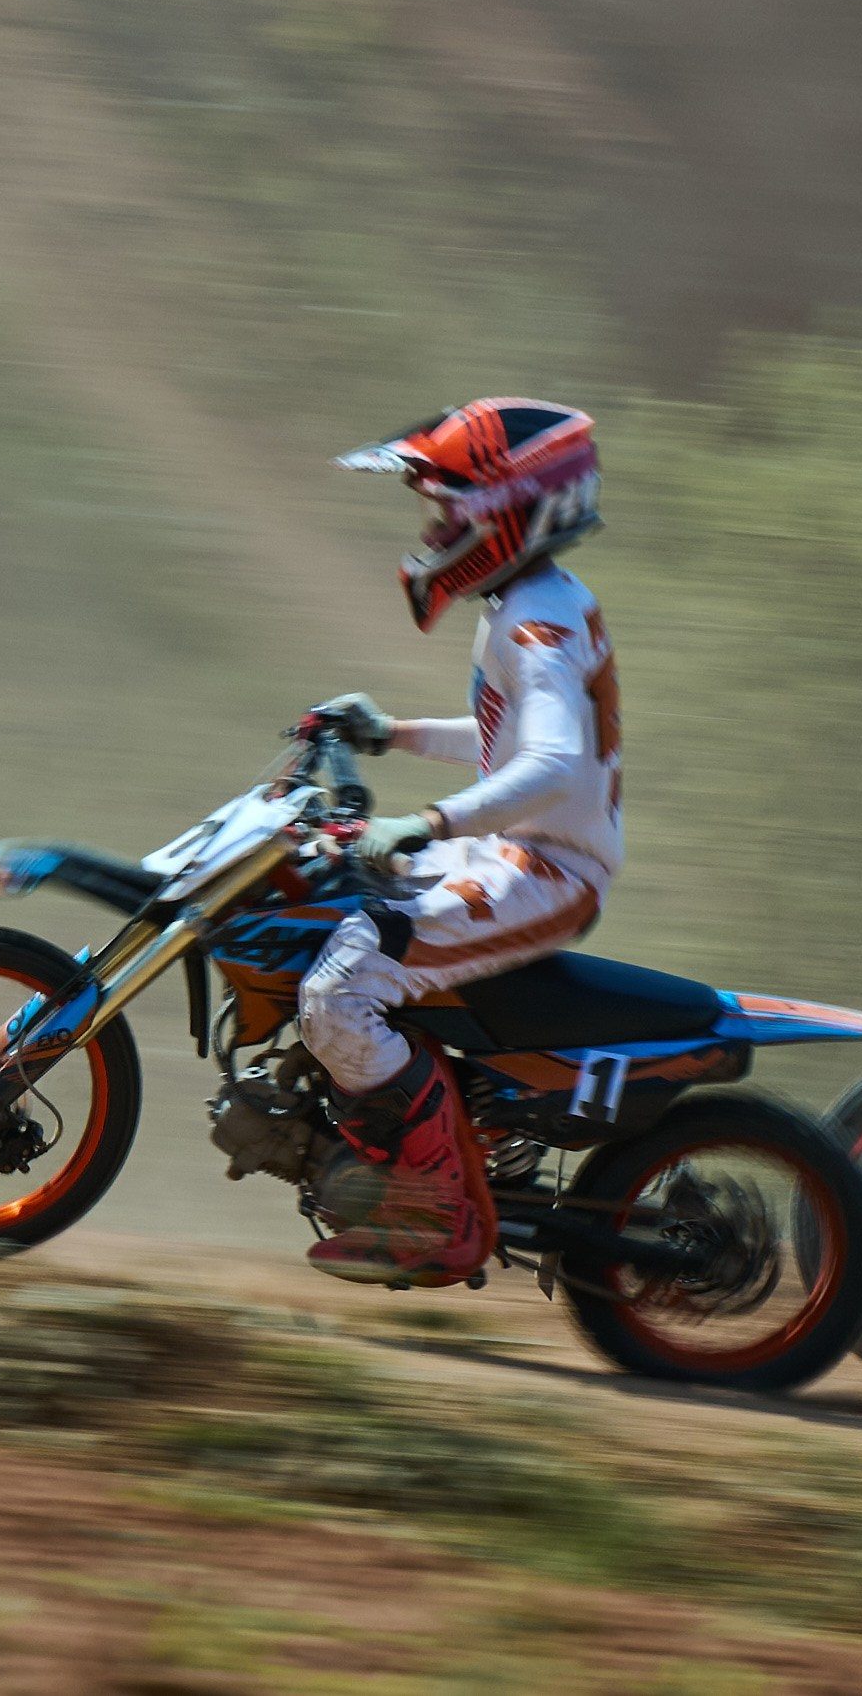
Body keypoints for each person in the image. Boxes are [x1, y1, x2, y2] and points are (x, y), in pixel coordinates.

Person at [296, 397, 620, 1284]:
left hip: (545, 868)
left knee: (336, 995)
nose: (436, 525)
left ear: (511, 510)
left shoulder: (538, 623)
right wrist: (391, 732)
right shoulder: (529, 600)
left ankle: (433, 1212)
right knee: (320, 886)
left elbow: (552, 763)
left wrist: (427, 820)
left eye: (450, 507)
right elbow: (505, 742)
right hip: (515, 852)